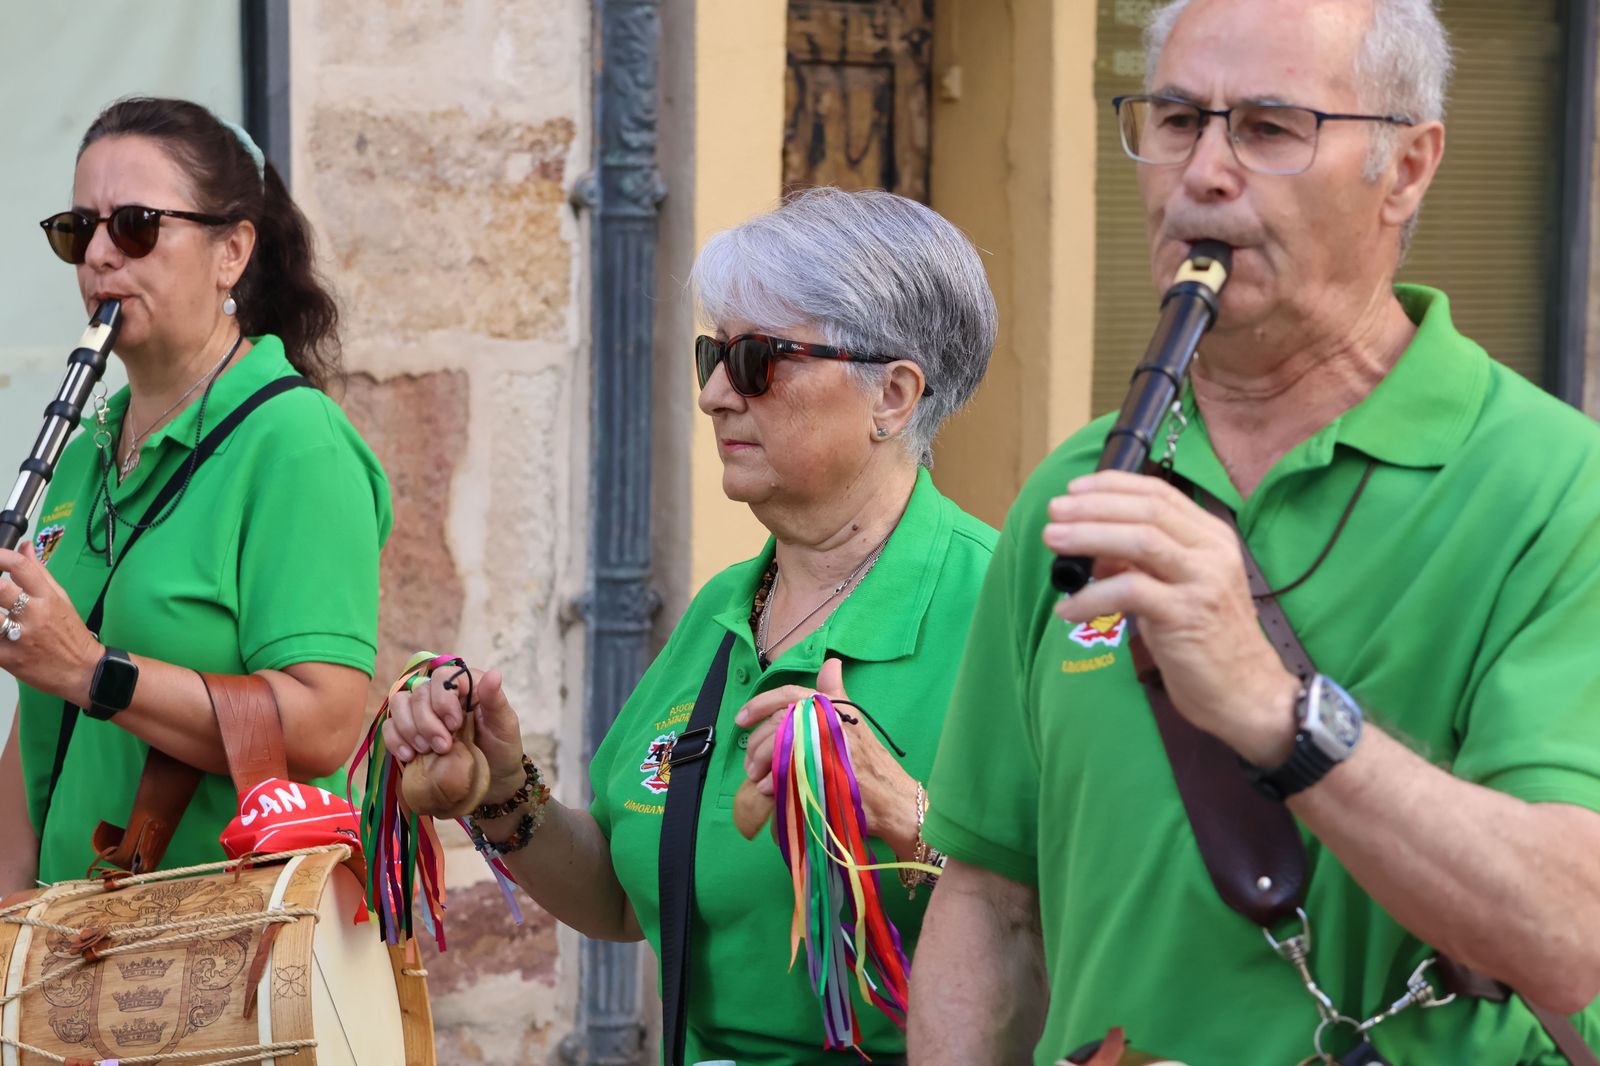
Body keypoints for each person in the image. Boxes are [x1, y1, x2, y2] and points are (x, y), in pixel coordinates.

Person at [908, 1, 1600, 1063]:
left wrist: (1280, 717)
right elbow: (994, 906)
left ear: (1405, 169)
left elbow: (1574, 934)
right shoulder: (1078, 481)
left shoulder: (1557, 490)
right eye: (1178, 119)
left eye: (1270, 128)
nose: (1204, 172)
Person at [386, 187, 998, 1064]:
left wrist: (909, 816)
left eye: (758, 360)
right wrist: (496, 784)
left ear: (893, 397)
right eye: (714, 354)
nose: (714, 393)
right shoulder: (723, 611)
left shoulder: (1006, 612)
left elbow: (1086, 916)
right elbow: (622, 897)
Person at [0, 97, 392, 888]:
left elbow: (325, 722)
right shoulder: (87, 450)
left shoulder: (295, 443)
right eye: (79, 230)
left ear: (231, 253)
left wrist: (92, 670)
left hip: (213, 958)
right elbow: (42, 724)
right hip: (69, 948)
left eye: (137, 225)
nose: (101, 256)